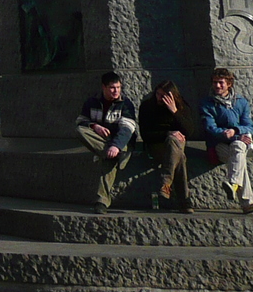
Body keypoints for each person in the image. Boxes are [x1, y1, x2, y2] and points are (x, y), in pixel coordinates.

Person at [75, 71, 138, 213]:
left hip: (122, 142)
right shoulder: (92, 102)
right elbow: (80, 121)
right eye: (112, 88)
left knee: (109, 159)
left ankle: (101, 202)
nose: (116, 91)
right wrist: (94, 126)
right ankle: (110, 153)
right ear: (103, 87)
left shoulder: (125, 104)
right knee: (80, 130)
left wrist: (116, 146)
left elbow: (128, 129)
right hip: (102, 141)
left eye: (118, 87)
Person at [200, 68, 253, 214]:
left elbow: (249, 126)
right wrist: (232, 135)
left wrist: (236, 131)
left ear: (229, 84)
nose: (217, 86)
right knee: (238, 159)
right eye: (215, 83)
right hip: (218, 145)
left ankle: (233, 183)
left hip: (238, 142)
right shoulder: (207, 104)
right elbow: (210, 128)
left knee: (238, 148)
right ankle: (246, 201)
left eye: (221, 83)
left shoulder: (241, 102)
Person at [138, 79, 196, 213]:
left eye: (164, 95)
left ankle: (166, 184)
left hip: (176, 145)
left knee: (174, 144)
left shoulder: (181, 106)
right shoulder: (147, 106)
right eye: (158, 94)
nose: (160, 98)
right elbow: (146, 135)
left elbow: (189, 131)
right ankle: (185, 201)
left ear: (172, 96)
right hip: (157, 146)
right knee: (179, 155)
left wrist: (174, 111)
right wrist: (168, 133)